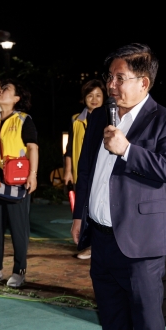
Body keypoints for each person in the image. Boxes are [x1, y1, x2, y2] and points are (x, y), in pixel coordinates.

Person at [70, 44, 166, 330]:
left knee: (147, 320)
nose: (112, 85)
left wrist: (127, 150)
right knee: (112, 317)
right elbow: (86, 169)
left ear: (143, 82)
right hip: (101, 237)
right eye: (110, 77)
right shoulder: (101, 114)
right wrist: (79, 214)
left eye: (120, 78)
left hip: (140, 242)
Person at [0, 79, 38, 288]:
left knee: (18, 229)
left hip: (18, 183)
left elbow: (33, 148)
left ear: (16, 99)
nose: (0, 91)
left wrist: (32, 175)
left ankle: (19, 270)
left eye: (6, 90)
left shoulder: (24, 120)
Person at [64, 79, 106, 260]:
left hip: (98, 170)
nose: (94, 99)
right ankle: (87, 244)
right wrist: (67, 171)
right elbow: (69, 148)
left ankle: (94, 246)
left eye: (98, 95)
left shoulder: (108, 118)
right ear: (84, 99)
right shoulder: (76, 120)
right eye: (90, 96)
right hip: (81, 171)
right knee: (82, 209)